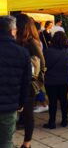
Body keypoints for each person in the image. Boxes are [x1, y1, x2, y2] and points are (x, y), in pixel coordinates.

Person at [0, 16, 31, 148]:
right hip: (9, 106)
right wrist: (21, 103)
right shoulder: (22, 53)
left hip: (9, 104)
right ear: (13, 31)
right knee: (6, 142)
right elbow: (26, 82)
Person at [16, 14, 45, 148]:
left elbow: (42, 63)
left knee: (28, 114)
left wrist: (37, 81)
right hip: (17, 82)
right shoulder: (17, 41)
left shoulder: (31, 42)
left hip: (28, 84)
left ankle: (26, 143)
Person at [43, 31, 68, 129]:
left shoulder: (47, 52)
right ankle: (65, 120)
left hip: (51, 80)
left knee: (53, 101)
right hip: (65, 79)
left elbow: (45, 65)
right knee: (64, 99)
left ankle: (52, 122)